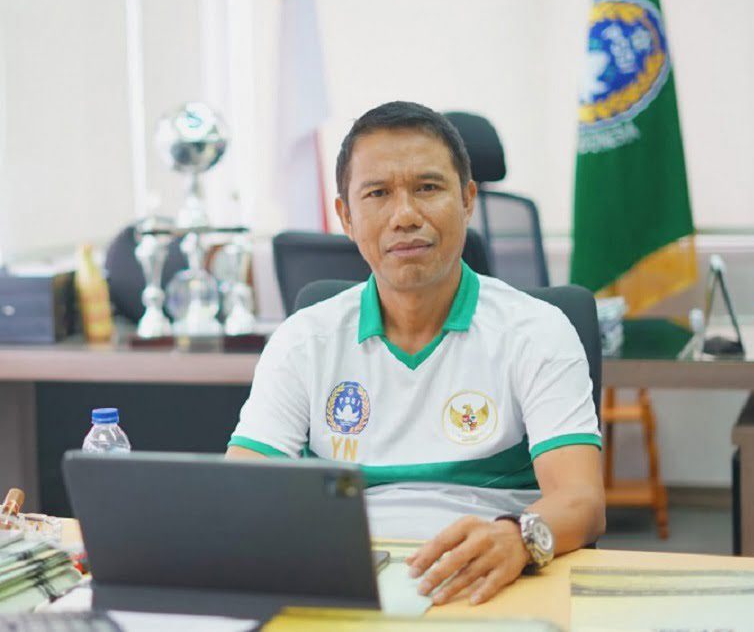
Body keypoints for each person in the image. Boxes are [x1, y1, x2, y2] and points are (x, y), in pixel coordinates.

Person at [227, 101, 604, 605]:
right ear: (346, 216)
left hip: (490, 577)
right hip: (345, 580)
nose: (405, 216)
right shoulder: (303, 339)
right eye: (378, 193)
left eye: (427, 188)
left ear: (467, 200)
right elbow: (241, 488)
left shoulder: (536, 330)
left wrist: (519, 537)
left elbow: (581, 500)